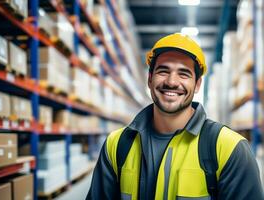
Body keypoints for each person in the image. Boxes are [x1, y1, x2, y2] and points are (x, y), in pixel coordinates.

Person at [86, 33, 264, 200]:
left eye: (183, 74)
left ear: (197, 84)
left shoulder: (229, 149)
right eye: (163, 71)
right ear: (150, 79)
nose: (171, 82)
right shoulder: (116, 145)